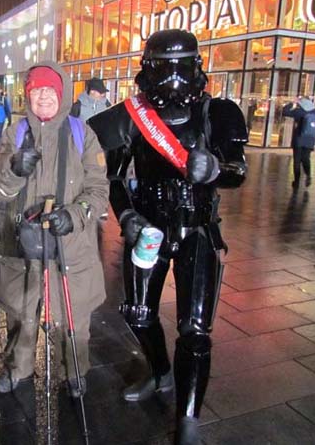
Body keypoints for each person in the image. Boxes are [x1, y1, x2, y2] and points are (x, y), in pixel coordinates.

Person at [88, 29, 248, 445]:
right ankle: (160, 373)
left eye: (181, 67)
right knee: (137, 313)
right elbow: (113, 177)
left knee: (194, 328)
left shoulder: (218, 112)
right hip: (148, 227)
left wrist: (216, 169)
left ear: (196, 68)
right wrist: (126, 215)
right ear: (148, 70)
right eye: (164, 68)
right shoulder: (131, 116)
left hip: (198, 229)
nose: (173, 78)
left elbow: (238, 169)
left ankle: (189, 418)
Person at [0, 62, 108, 395]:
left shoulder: (83, 135)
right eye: (36, 90)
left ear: (63, 93)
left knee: (74, 317)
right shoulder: (15, 133)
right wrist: (13, 170)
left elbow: (99, 189)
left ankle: (75, 370)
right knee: (21, 312)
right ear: (28, 95)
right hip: (22, 242)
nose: (43, 96)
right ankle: (18, 368)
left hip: (70, 243)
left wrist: (75, 214)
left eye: (50, 90)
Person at [282, 97, 315, 189]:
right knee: (306, 158)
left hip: (298, 138)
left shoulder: (299, 111)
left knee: (297, 160)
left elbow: (285, 112)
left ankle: (296, 181)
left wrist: (292, 103)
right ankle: (308, 175)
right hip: (310, 139)